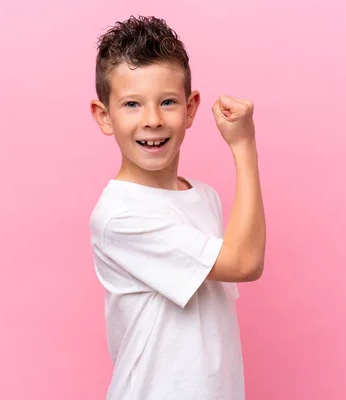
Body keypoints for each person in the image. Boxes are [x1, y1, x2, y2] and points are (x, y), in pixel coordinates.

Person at [89, 15, 266, 400]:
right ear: (104, 115)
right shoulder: (120, 216)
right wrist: (244, 146)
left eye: (167, 102)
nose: (152, 120)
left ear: (190, 109)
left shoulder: (203, 197)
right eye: (132, 104)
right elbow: (245, 262)